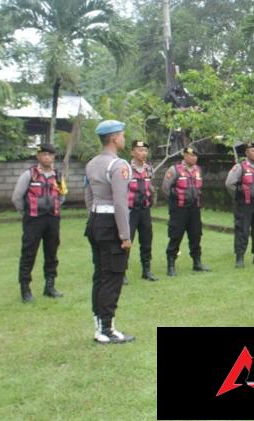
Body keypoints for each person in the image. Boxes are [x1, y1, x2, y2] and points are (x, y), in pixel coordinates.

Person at [84, 120, 134, 343]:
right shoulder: (118, 165)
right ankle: (107, 329)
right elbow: (120, 202)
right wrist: (125, 235)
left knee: (100, 275)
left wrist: (94, 218)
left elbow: (89, 196)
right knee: (112, 276)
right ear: (114, 138)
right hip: (111, 223)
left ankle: (99, 324)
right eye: (122, 135)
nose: (124, 138)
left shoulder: (92, 163)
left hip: (95, 220)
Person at [11, 143, 66, 302]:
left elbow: (62, 197)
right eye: (43, 154)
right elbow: (17, 198)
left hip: (53, 219)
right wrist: (27, 213)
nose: (47, 157)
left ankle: (50, 286)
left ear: (53, 157)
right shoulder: (29, 175)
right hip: (33, 220)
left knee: (51, 254)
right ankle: (25, 289)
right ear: (38, 157)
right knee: (28, 254)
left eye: (50, 155)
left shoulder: (58, 175)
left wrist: (53, 208)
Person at [163, 147, 210, 276]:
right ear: (185, 156)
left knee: (196, 235)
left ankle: (197, 262)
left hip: (194, 209)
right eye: (191, 155)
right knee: (175, 236)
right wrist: (176, 201)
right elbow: (166, 189)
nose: (194, 158)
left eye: (196, 156)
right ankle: (171, 264)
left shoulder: (198, 170)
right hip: (179, 209)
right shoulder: (174, 170)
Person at [226, 142, 254, 268]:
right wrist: (238, 195)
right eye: (253, 150)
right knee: (242, 230)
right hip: (244, 204)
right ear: (246, 153)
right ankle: (240, 257)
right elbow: (229, 183)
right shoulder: (240, 167)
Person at [128, 140, 157, 282]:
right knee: (127, 240)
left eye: (145, 150)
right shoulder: (126, 169)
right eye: (139, 150)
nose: (143, 153)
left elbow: (150, 186)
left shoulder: (148, 169)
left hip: (144, 210)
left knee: (146, 240)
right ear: (132, 152)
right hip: (130, 210)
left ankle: (146, 270)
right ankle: (121, 273)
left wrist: (152, 199)